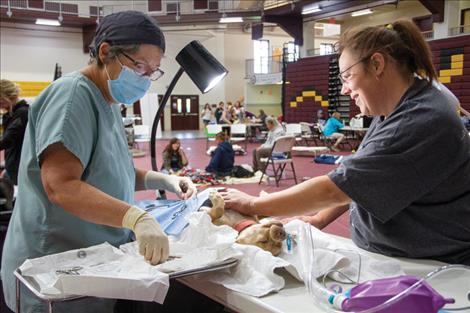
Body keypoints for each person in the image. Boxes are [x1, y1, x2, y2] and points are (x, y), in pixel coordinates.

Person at [221, 20, 470, 266]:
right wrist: (318, 219)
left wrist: (253, 204)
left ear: (376, 64)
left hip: (434, 268)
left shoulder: (420, 120)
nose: (344, 90)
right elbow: (358, 184)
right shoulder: (390, 112)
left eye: (348, 76)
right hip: (395, 257)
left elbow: (333, 189)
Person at [1, 11, 198, 313]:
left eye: (154, 71)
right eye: (140, 67)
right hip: (53, 268)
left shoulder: (107, 101)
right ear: (106, 52)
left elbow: (111, 170)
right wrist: (136, 217)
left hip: (91, 264)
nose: (145, 79)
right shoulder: (72, 96)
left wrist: (162, 180)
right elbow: (61, 186)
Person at [0, 80, 29, 185]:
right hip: (12, 165)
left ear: (8, 96)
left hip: (19, 168)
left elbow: (7, 140)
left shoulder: (22, 113)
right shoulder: (10, 114)